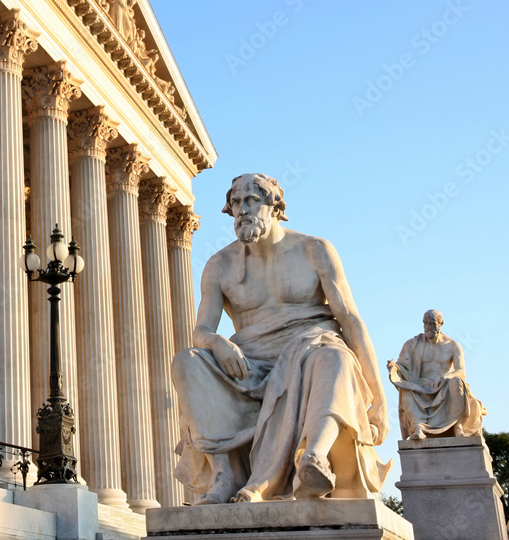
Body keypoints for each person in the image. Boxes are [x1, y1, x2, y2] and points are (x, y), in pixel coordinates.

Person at [171, 173, 390, 504]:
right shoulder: (219, 265)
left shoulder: (313, 249)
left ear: (275, 206)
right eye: (235, 203)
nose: (241, 210)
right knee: (187, 362)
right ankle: (223, 475)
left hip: (311, 348)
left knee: (333, 356)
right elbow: (202, 330)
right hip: (249, 364)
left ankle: (312, 458)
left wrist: (379, 397)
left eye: (251, 200)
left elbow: (350, 320)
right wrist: (218, 343)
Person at [387, 309, 486, 440]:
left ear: (440, 324)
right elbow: (404, 367)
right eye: (426, 323)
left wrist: (448, 376)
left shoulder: (452, 346)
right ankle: (418, 427)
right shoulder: (413, 344)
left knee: (457, 382)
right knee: (407, 389)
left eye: (432, 323)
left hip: (444, 385)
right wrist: (394, 368)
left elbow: (461, 371)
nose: (428, 327)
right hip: (422, 386)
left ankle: (458, 426)